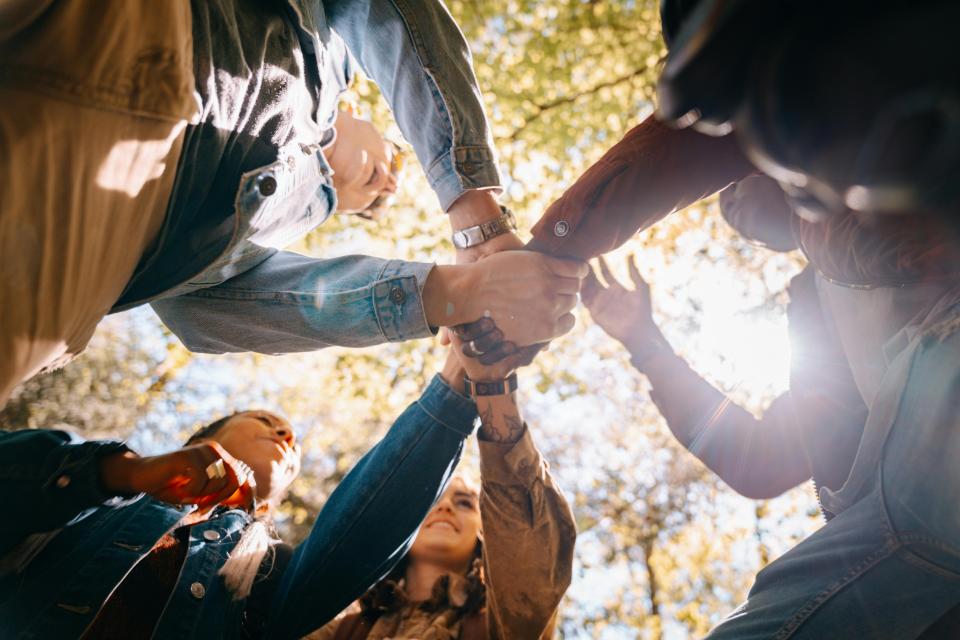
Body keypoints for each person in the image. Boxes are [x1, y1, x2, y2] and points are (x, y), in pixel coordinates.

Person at [0, 0, 586, 406]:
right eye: (396, 163)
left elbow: (198, 315)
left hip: (68, 259)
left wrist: (461, 294)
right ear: (366, 115)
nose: (385, 186)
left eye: (366, 204)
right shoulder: (333, 55)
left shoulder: (263, 238)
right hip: (145, 31)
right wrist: (477, 219)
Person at [582, 174, 960, 638]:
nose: (729, 204)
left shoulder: (870, 171)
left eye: (733, 183)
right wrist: (646, 343)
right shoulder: (814, 310)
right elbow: (760, 459)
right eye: (725, 205)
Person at [0, 351, 480, 640]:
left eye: (292, 444)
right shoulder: (95, 487)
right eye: (266, 422)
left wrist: (457, 385)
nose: (285, 435)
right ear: (199, 439)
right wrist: (123, 473)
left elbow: (358, 537)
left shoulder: (271, 571)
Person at [308, 327, 576, 640]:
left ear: (483, 534)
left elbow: (534, 548)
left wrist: (493, 387)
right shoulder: (337, 630)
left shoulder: (501, 626)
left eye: (464, 502)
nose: (445, 506)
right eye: (431, 501)